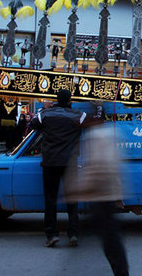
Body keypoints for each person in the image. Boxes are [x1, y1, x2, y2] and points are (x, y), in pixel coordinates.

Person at [30, 89, 102, 248]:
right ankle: (73, 233)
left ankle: (51, 235)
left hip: (50, 163)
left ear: (56, 100)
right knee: (72, 199)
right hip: (70, 164)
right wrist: (98, 107)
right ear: (70, 101)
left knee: (50, 200)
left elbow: (33, 123)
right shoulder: (77, 115)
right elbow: (97, 121)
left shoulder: (46, 115)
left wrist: (43, 107)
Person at [68, 125, 129, 276]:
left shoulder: (96, 136)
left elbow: (100, 168)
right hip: (105, 196)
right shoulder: (107, 134)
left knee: (110, 244)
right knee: (110, 243)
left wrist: (79, 189)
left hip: (102, 197)